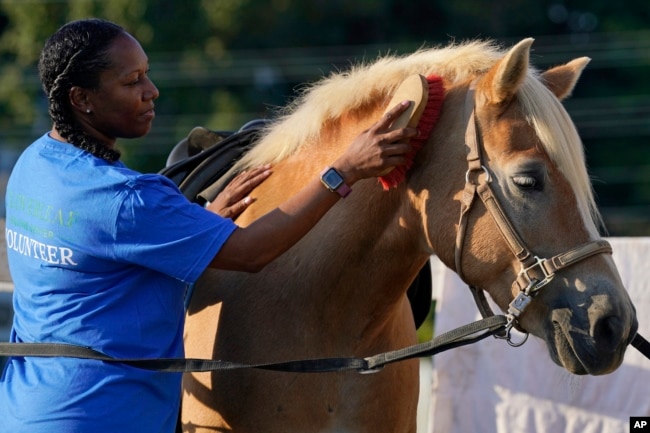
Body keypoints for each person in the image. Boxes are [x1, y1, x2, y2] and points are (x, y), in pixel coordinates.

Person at [0, 18, 417, 433]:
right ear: (81, 98)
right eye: (132, 82)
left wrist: (195, 231)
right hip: (104, 416)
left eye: (147, 73)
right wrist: (343, 170)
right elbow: (252, 253)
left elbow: (100, 258)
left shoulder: (33, 165)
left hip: (24, 409)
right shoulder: (129, 199)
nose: (151, 91)